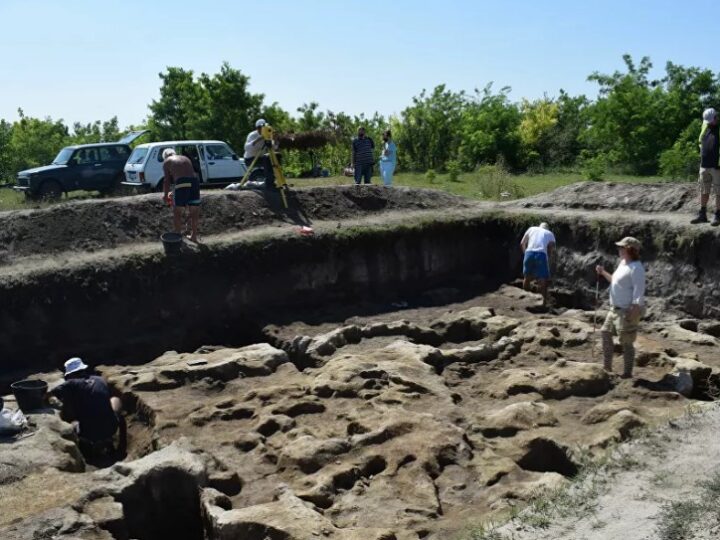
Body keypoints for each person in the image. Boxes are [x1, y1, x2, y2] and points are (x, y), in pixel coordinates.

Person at [50, 357, 126, 457]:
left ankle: (86, 445)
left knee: (70, 419)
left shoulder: (70, 384)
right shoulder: (100, 379)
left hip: (88, 434)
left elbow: (47, 394)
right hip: (110, 429)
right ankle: (120, 445)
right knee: (115, 400)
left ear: (71, 374)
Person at [595, 237, 646, 379]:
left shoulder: (637, 268)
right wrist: (603, 272)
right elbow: (615, 281)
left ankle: (627, 373)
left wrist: (635, 309)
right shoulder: (623, 263)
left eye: (622, 247)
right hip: (614, 309)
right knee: (605, 332)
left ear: (630, 250)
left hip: (626, 311)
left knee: (627, 342)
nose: (619, 249)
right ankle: (607, 367)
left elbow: (639, 290)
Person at [162, 148, 201, 242]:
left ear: (165, 156)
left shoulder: (167, 161)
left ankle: (178, 238)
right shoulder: (185, 158)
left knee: (177, 212)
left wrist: (166, 195)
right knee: (194, 212)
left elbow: (166, 180)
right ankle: (194, 236)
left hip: (182, 182)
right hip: (195, 182)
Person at [691, 108, 720, 225]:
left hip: (717, 167)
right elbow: (700, 140)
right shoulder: (704, 125)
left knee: (719, 192)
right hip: (704, 165)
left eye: (710, 120)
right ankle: (702, 214)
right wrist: (702, 152)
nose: (708, 122)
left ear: (715, 118)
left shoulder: (719, 129)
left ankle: (718, 215)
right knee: (703, 190)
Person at [520, 222, 556, 306]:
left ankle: (525, 298)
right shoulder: (549, 233)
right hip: (541, 254)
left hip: (528, 252)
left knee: (527, 277)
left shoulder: (531, 229)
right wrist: (548, 259)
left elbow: (522, 243)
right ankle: (542, 302)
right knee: (542, 279)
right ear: (547, 229)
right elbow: (551, 248)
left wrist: (526, 255)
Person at [244, 119, 276, 190]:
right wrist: (259, 139)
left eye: (263, 128)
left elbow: (274, 147)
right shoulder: (252, 135)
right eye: (260, 128)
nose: (261, 129)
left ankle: (270, 183)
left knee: (271, 162)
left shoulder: (268, 134)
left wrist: (274, 139)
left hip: (261, 157)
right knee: (267, 162)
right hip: (250, 158)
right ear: (257, 128)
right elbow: (246, 148)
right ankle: (268, 184)